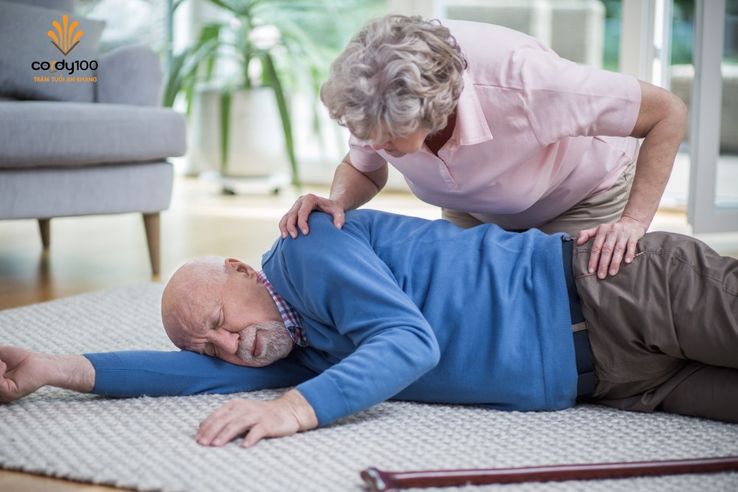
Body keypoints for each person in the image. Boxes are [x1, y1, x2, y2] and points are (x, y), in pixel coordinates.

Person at [1, 210, 736, 449]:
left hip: (621, 290)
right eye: (209, 344)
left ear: (243, 270)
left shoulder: (307, 247)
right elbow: (183, 375)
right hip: (622, 386)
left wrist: (294, 410)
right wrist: (52, 368)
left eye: (220, 322)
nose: (228, 347)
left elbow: (410, 342)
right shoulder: (304, 352)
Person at [279, 14, 688, 281]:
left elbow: (667, 113)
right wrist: (337, 201)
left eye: (387, 137)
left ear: (434, 111)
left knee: (571, 312)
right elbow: (364, 168)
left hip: (580, 196)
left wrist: (634, 222)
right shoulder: (371, 93)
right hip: (475, 205)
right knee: (468, 304)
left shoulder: (530, 83)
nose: (375, 144)